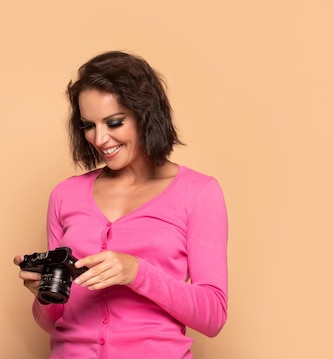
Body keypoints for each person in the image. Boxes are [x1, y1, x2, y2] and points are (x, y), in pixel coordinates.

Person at [14, 50, 228, 358]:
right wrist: (45, 298)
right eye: (88, 125)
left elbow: (213, 316)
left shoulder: (199, 193)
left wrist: (137, 272)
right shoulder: (65, 195)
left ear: (146, 115)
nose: (100, 139)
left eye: (114, 122)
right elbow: (53, 322)